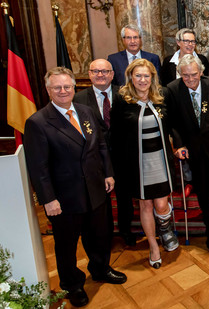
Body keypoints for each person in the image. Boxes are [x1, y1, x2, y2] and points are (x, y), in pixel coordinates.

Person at [24, 67, 127, 307]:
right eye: (57, 87)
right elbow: (38, 168)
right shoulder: (38, 122)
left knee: (100, 235)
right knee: (66, 245)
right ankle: (73, 285)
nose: (63, 91)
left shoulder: (86, 111)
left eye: (67, 86)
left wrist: (108, 173)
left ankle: (101, 269)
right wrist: (48, 199)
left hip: (95, 189)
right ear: (48, 90)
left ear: (74, 88)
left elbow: (100, 145)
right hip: (65, 197)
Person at [165, 54, 209, 266]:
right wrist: (179, 145)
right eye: (185, 75)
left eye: (193, 74)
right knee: (204, 196)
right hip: (194, 154)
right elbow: (173, 122)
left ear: (201, 72)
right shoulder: (172, 90)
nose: (190, 79)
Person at [110, 59, 179, 269]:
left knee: (161, 204)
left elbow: (174, 124)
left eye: (146, 76)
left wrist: (180, 145)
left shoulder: (163, 95)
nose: (142, 80)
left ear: (152, 77)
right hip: (137, 163)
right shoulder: (122, 99)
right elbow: (116, 134)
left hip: (160, 159)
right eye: (138, 76)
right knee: (146, 205)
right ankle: (153, 245)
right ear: (131, 77)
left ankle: (165, 228)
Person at [74, 59, 138, 246]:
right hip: (94, 157)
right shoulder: (79, 98)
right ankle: (105, 233)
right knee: (100, 198)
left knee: (124, 196)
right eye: (96, 71)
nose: (100, 75)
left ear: (112, 74)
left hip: (123, 155)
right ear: (89, 74)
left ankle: (126, 230)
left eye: (104, 71)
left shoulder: (125, 94)